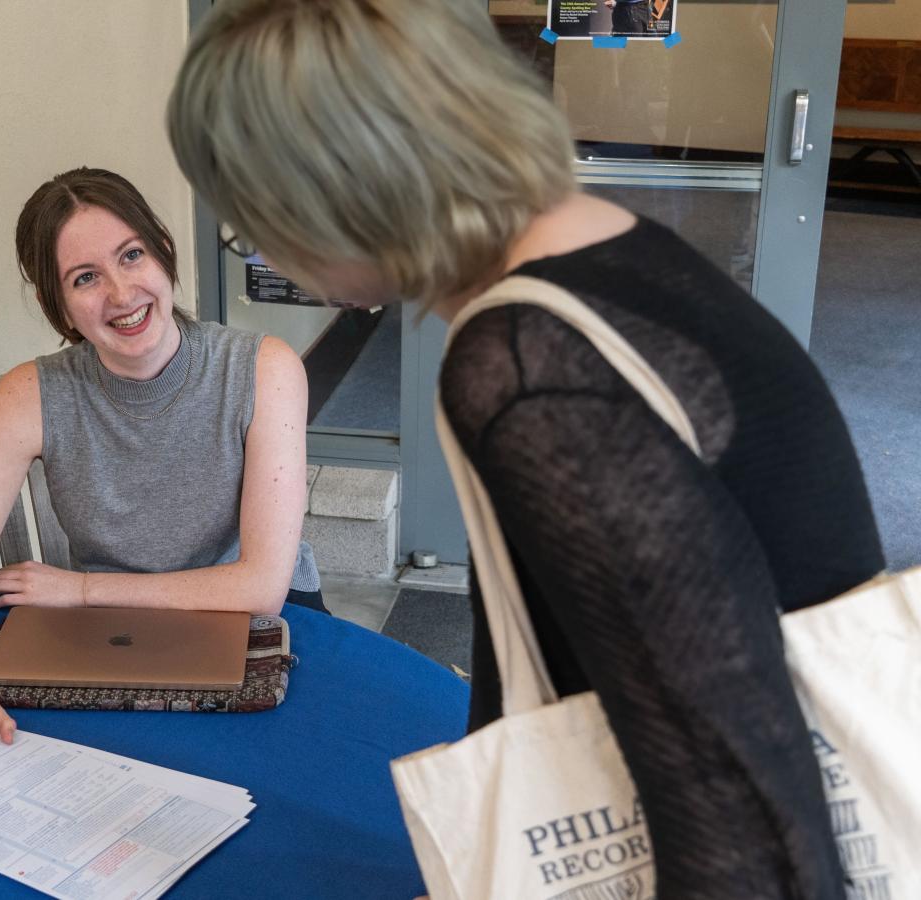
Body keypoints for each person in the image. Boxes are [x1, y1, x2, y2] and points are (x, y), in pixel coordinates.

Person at [166, 1, 883, 897]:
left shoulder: (526, 364)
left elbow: (738, 810)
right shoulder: (612, 247)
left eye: (257, 216)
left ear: (339, 188)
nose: (267, 247)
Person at [0, 167, 318, 766]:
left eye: (132, 255)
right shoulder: (31, 395)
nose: (122, 296)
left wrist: (79, 589)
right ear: (61, 307)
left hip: (256, 631)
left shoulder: (263, 369)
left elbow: (261, 589)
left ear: (164, 254)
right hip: (111, 636)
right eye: (86, 278)